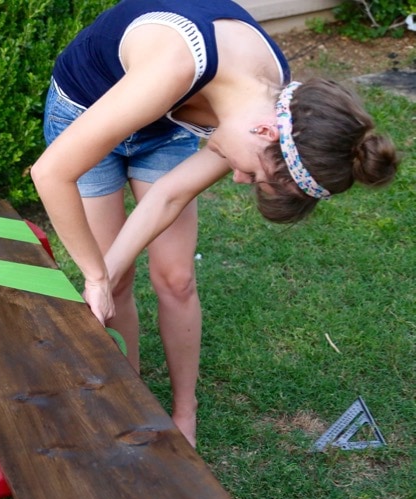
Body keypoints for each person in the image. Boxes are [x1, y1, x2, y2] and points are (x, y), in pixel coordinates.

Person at [30, 0, 399, 448]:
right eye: (255, 175)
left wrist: (103, 273)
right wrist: (97, 276)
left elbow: (170, 193)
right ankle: (128, 397)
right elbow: (51, 173)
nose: (239, 178)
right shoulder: (177, 62)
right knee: (114, 281)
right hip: (87, 107)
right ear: (265, 133)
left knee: (178, 278)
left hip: (170, 126)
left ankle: (185, 410)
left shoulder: (277, 111)